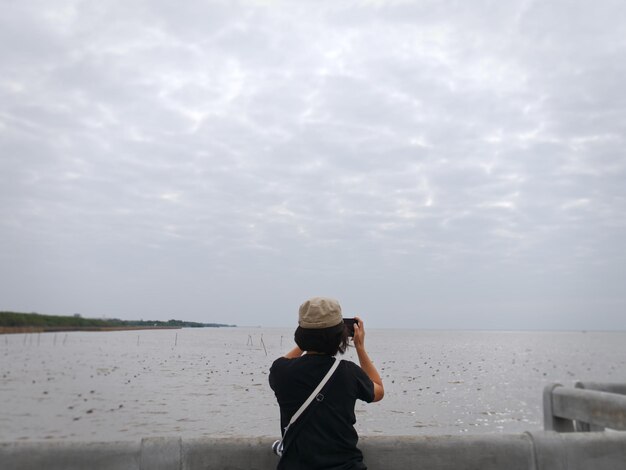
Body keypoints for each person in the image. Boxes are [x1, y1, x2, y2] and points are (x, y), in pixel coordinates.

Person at [269, 297, 384, 470]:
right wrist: (360, 347)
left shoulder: (281, 371)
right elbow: (378, 390)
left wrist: (306, 341)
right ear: (341, 335)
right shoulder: (349, 373)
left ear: (300, 333)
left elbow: (284, 360)